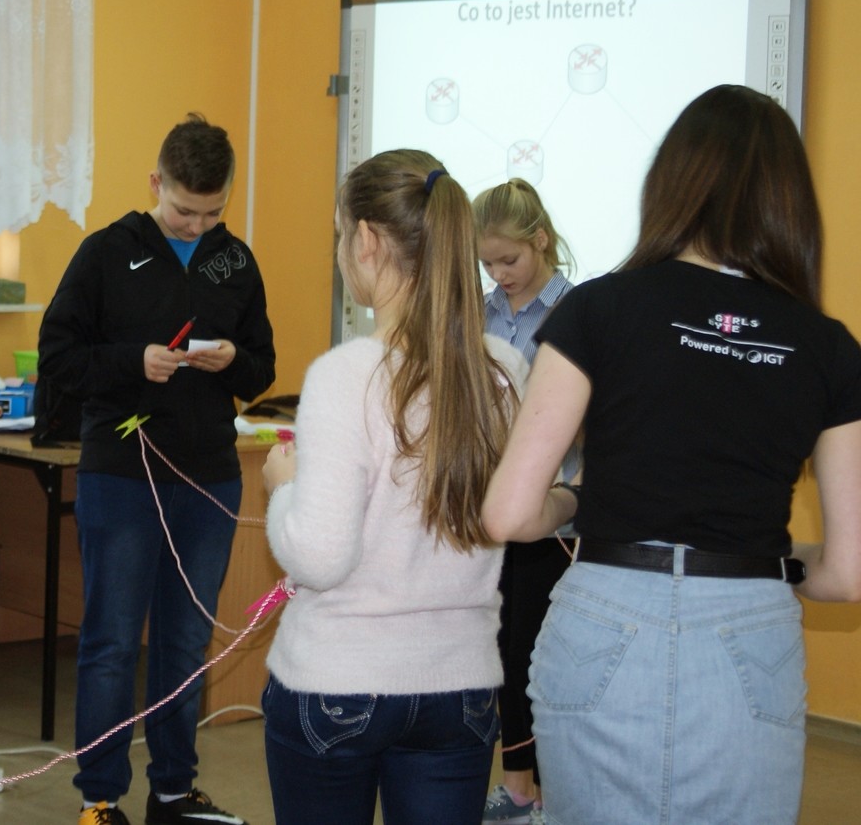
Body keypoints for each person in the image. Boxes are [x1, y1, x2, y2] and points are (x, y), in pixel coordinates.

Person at [482, 84, 861, 824]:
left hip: (604, 616)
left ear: (671, 183)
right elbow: (846, 574)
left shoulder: (598, 306)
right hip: (751, 630)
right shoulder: (829, 347)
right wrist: (769, 555)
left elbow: (509, 513)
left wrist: (583, 499)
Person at [260, 150, 526, 825]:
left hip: (337, 684)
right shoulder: (503, 370)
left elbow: (319, 558)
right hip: (461, 691)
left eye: (339, 235)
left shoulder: (346, 374)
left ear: (367, 240)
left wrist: (283, 486)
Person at [38, 113, 274, 825]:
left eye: (212, 213)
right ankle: (99, 799)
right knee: (112, 642)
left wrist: (233, 361)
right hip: (121, 473)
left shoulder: (236, 261)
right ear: (155, 184)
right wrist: (130, 361)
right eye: (182, 211)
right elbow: (58, 359)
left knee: (185, 642)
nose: (196, 226)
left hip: (208, 477)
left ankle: (173, 792)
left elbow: (262, 365)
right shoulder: (106, 253)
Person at [472, 178, 573, 825]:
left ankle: (554, 791)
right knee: (501, 647)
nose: (499, 274)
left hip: (557, 514)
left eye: (508, 259)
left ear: (541, 240)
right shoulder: (478, 314)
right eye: (488, 264)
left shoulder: (578, 313)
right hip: (492, 506)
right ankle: (517, 789)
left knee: (540, 652)